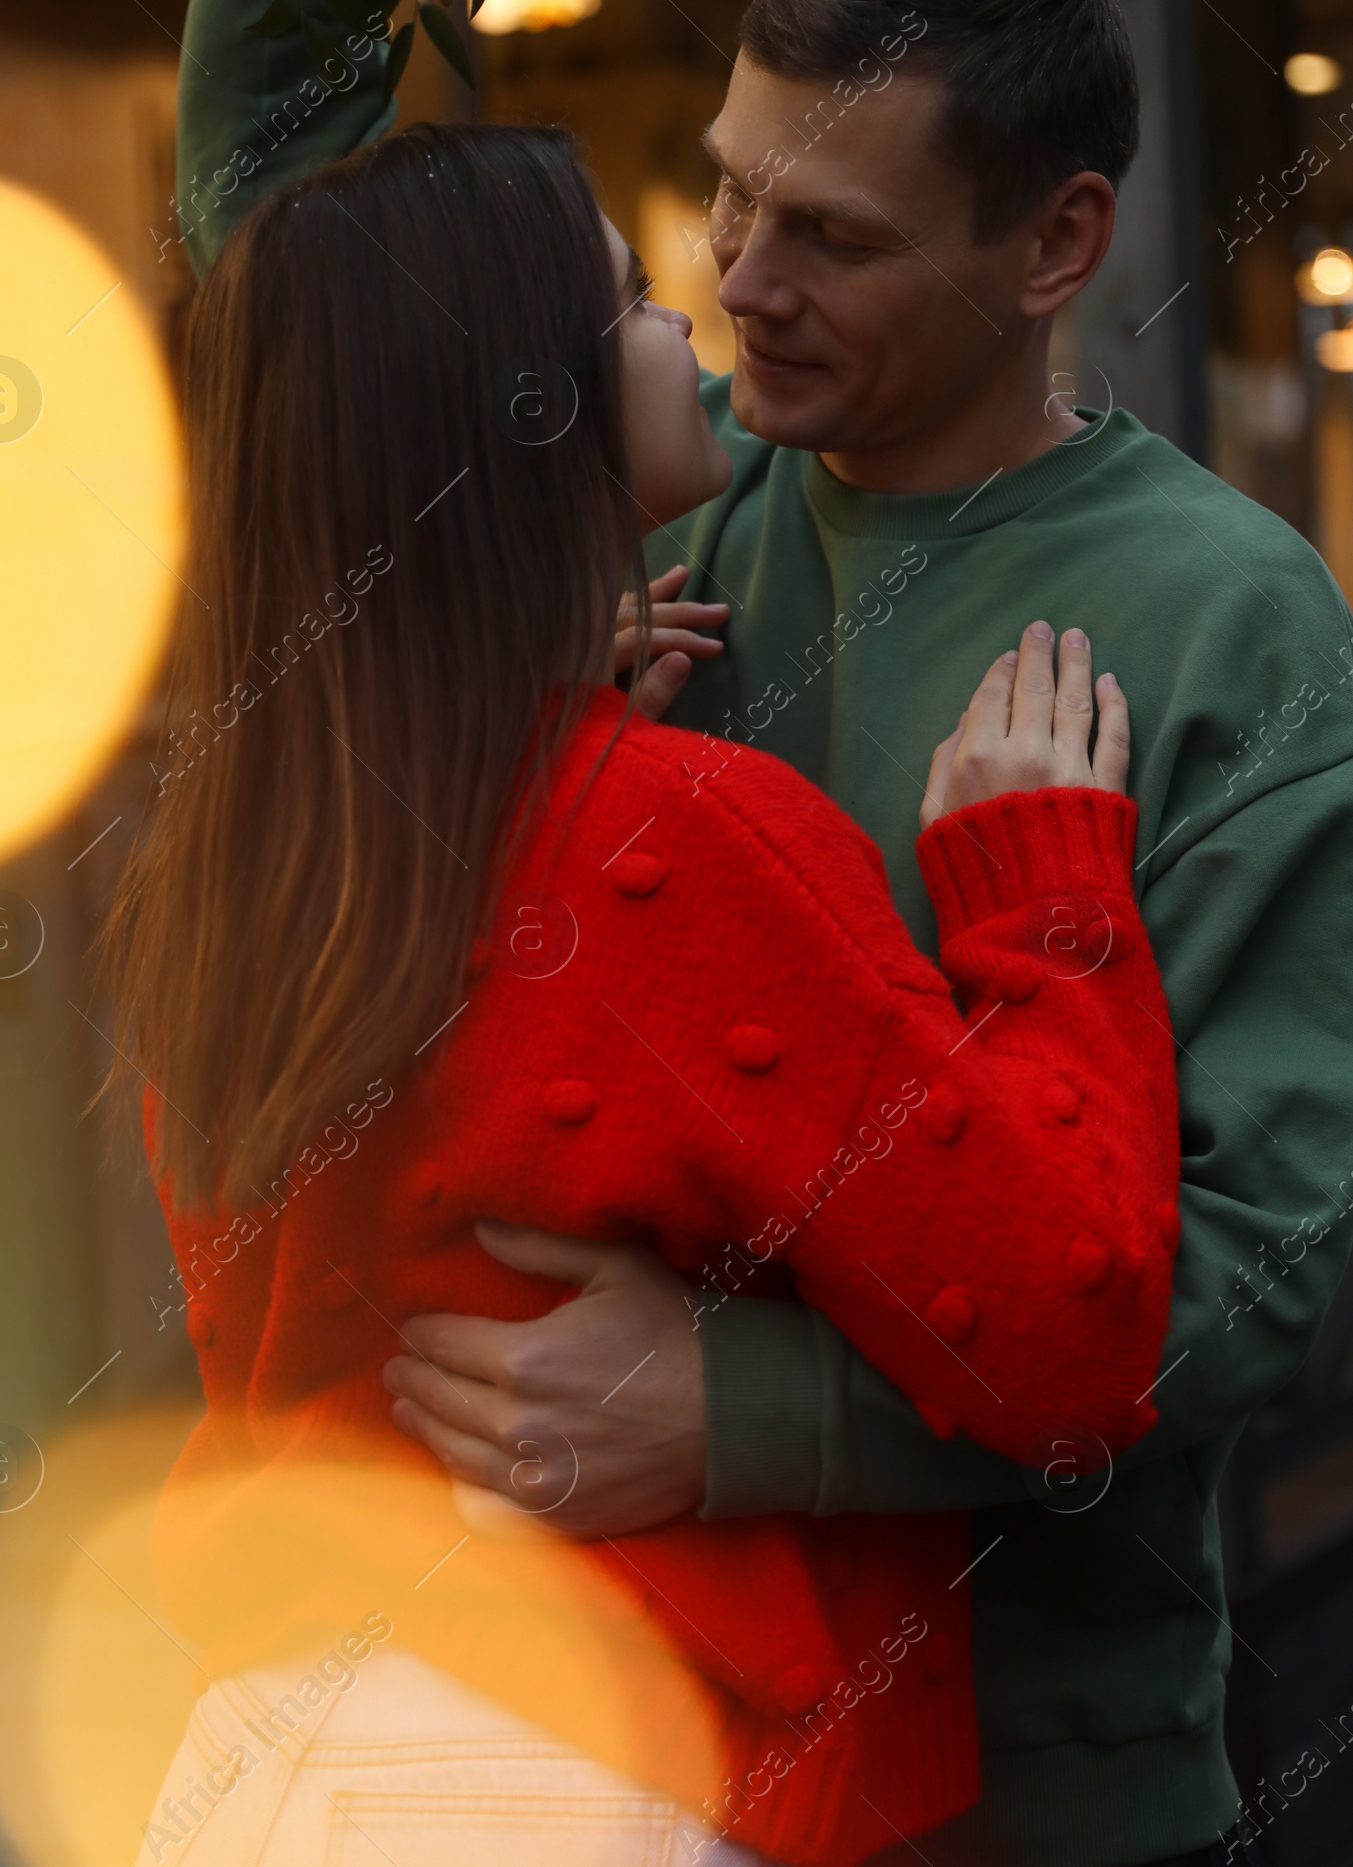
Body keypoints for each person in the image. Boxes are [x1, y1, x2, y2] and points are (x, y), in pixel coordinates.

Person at [177, 0, 1353, 1863]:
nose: (739, 282)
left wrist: (742, 1411)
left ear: (1056, 242)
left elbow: (1249, 1275)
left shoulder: (1226, 626)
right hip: (618, 1743)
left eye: (828, 237)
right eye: (723, 201)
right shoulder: (658, 502)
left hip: (1033, 1769)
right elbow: (302, 291)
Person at [110, 121, 1179, 1865]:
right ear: (518, 406)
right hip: (562, 1773)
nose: (690, 319)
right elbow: (1068, 1334)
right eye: (621, 300)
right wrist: (1043, 899)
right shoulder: (677, 832)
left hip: (254, 1757)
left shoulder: (262, 848)